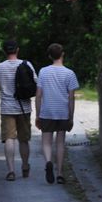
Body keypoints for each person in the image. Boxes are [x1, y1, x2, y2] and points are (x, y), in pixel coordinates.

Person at [0, 39, 36, 181]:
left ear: (4, 51)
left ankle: (11, 170)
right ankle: (25, 166)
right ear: (17, 50)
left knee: (9, 138)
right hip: (24, 107)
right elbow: (36, 83)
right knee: (24, 140)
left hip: (7, 108)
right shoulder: (27, 65)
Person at [34, 43, 80, 184]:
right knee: (60, 143)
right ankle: (60, 173)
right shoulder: (69, 73)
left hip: (47, 111)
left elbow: (38, 95)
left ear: (49, 56)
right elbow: (71, 97)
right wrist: (71, 117)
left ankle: (48, 161)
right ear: (63, 54)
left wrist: (37, 115)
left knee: (46, 141)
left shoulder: (43, 72)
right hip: (62, 112)